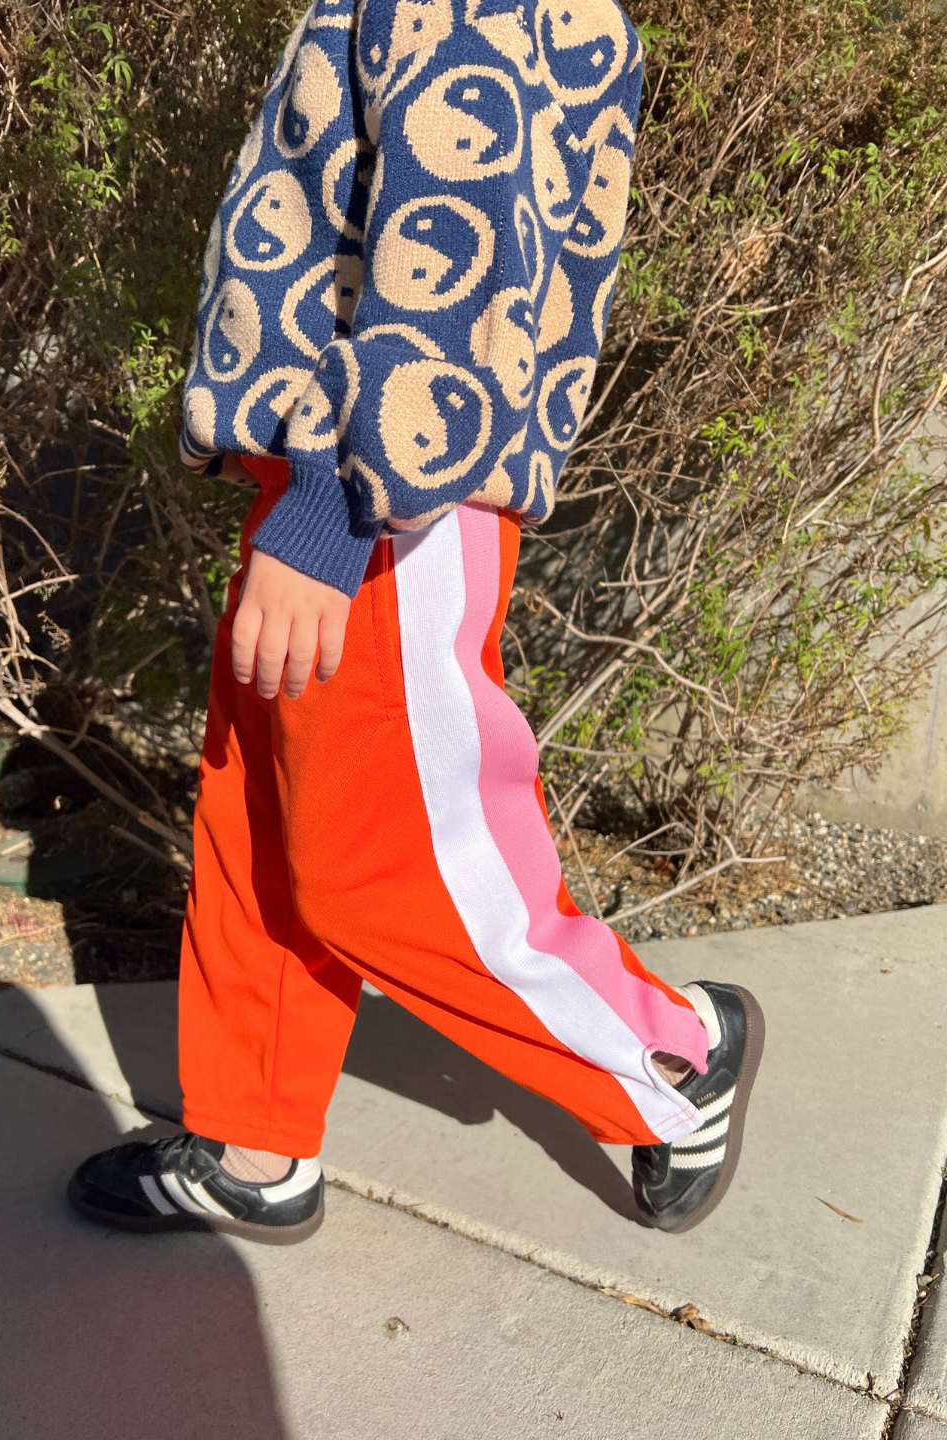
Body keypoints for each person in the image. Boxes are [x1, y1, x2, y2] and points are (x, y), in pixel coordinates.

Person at [68, 0, 763, 1242]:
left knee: (401, 873)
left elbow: (461, 262)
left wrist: (331, 518)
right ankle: (254, 1139)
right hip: (336, 471)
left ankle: (673, 1057)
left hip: (386, 492)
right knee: (267, 829)